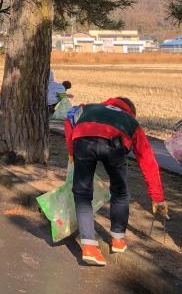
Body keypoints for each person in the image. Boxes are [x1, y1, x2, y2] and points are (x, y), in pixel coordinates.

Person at [64, 97, 167, 267]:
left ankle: (89, 247)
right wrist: (158, 197)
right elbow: (147, 159)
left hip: (83, 139)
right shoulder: (131, 122)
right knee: (120, 191)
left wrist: (71, 151)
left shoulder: (88, 108)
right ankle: (118, 239)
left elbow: (69, 120)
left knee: (82, 193)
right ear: (130, 112)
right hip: (115, 145)